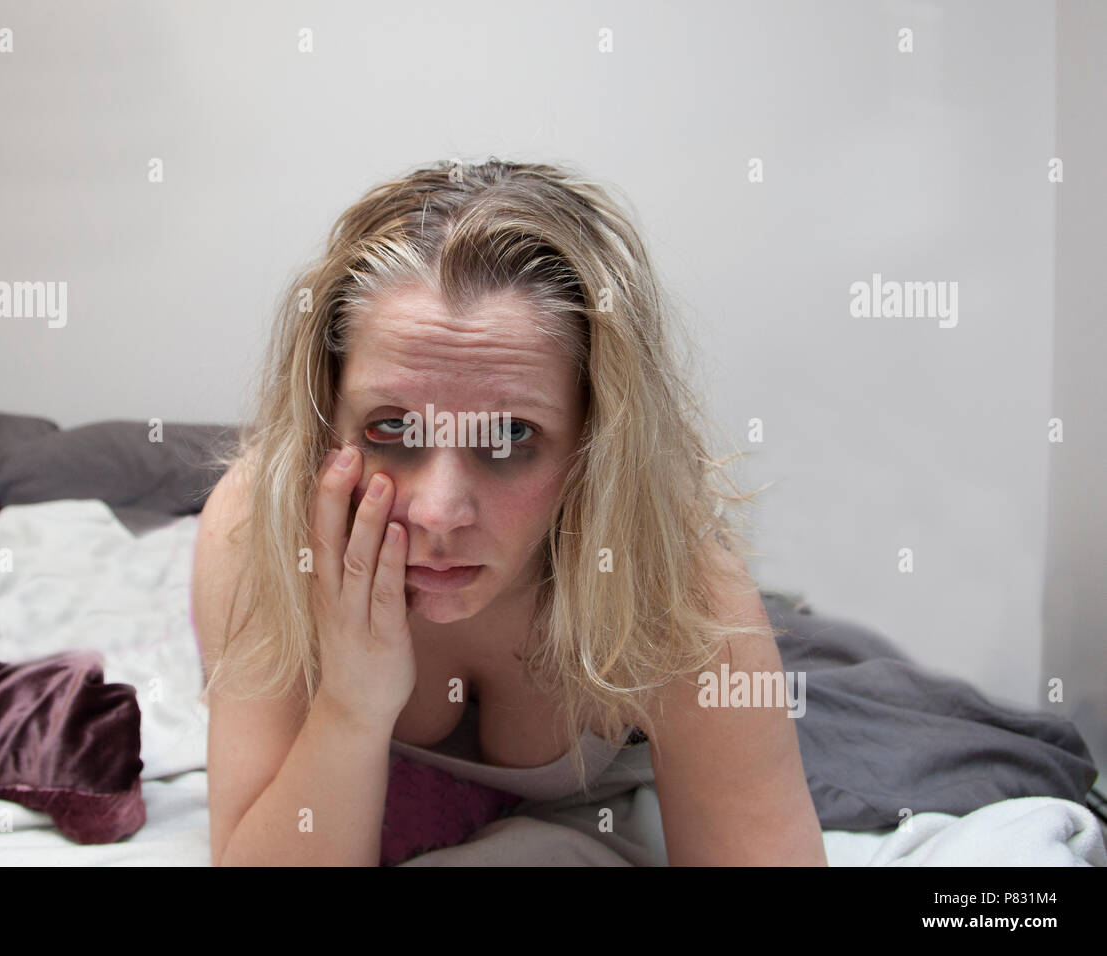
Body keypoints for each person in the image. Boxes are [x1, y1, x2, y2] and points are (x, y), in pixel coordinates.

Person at [191, 158, 827, 866]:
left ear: (596, 441)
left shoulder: (677, 587)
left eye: (510, 436)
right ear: (324, 421)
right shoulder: (260, 533)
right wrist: (349, 708)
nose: (438, 514)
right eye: (392, 430)